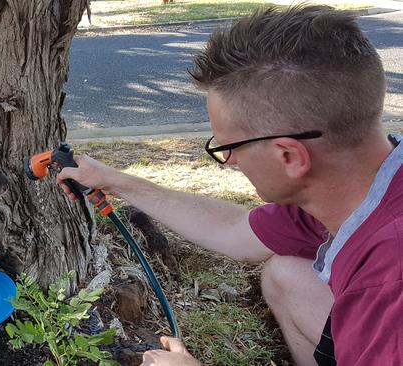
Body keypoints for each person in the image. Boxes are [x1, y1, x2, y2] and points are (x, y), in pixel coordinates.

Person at [57, 5, 402, 365]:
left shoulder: (388, 283)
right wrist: (113, 180)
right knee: (287, 274)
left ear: (290, 157)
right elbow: (234, 229)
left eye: (229, 147)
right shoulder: (356, 183)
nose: (230, 161)